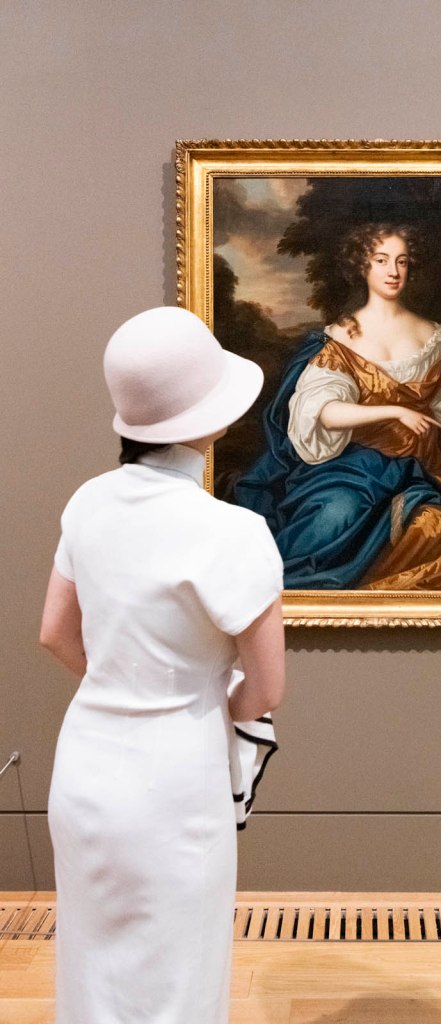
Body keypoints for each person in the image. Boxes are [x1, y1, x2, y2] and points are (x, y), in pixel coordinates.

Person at [40, 307, 286, 1024]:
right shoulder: (233, 531)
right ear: (206, 421)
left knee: (91, 969)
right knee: (178, 978)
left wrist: (123, 683)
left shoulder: (87, 503)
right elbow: (267, 687)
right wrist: (201, 701)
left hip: (86, 765)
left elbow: (55, 634)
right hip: (176, 776)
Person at [234, 223, 441, 589]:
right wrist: (393, 411)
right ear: (362, 267)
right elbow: (326, 411)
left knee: (436, 528)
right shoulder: (342, 339)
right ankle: (267, 592)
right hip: (349, 470)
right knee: (335, 514)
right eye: (381, 260)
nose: (393, 271)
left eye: (401, 261)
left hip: (416, 473)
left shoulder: (433, 340)